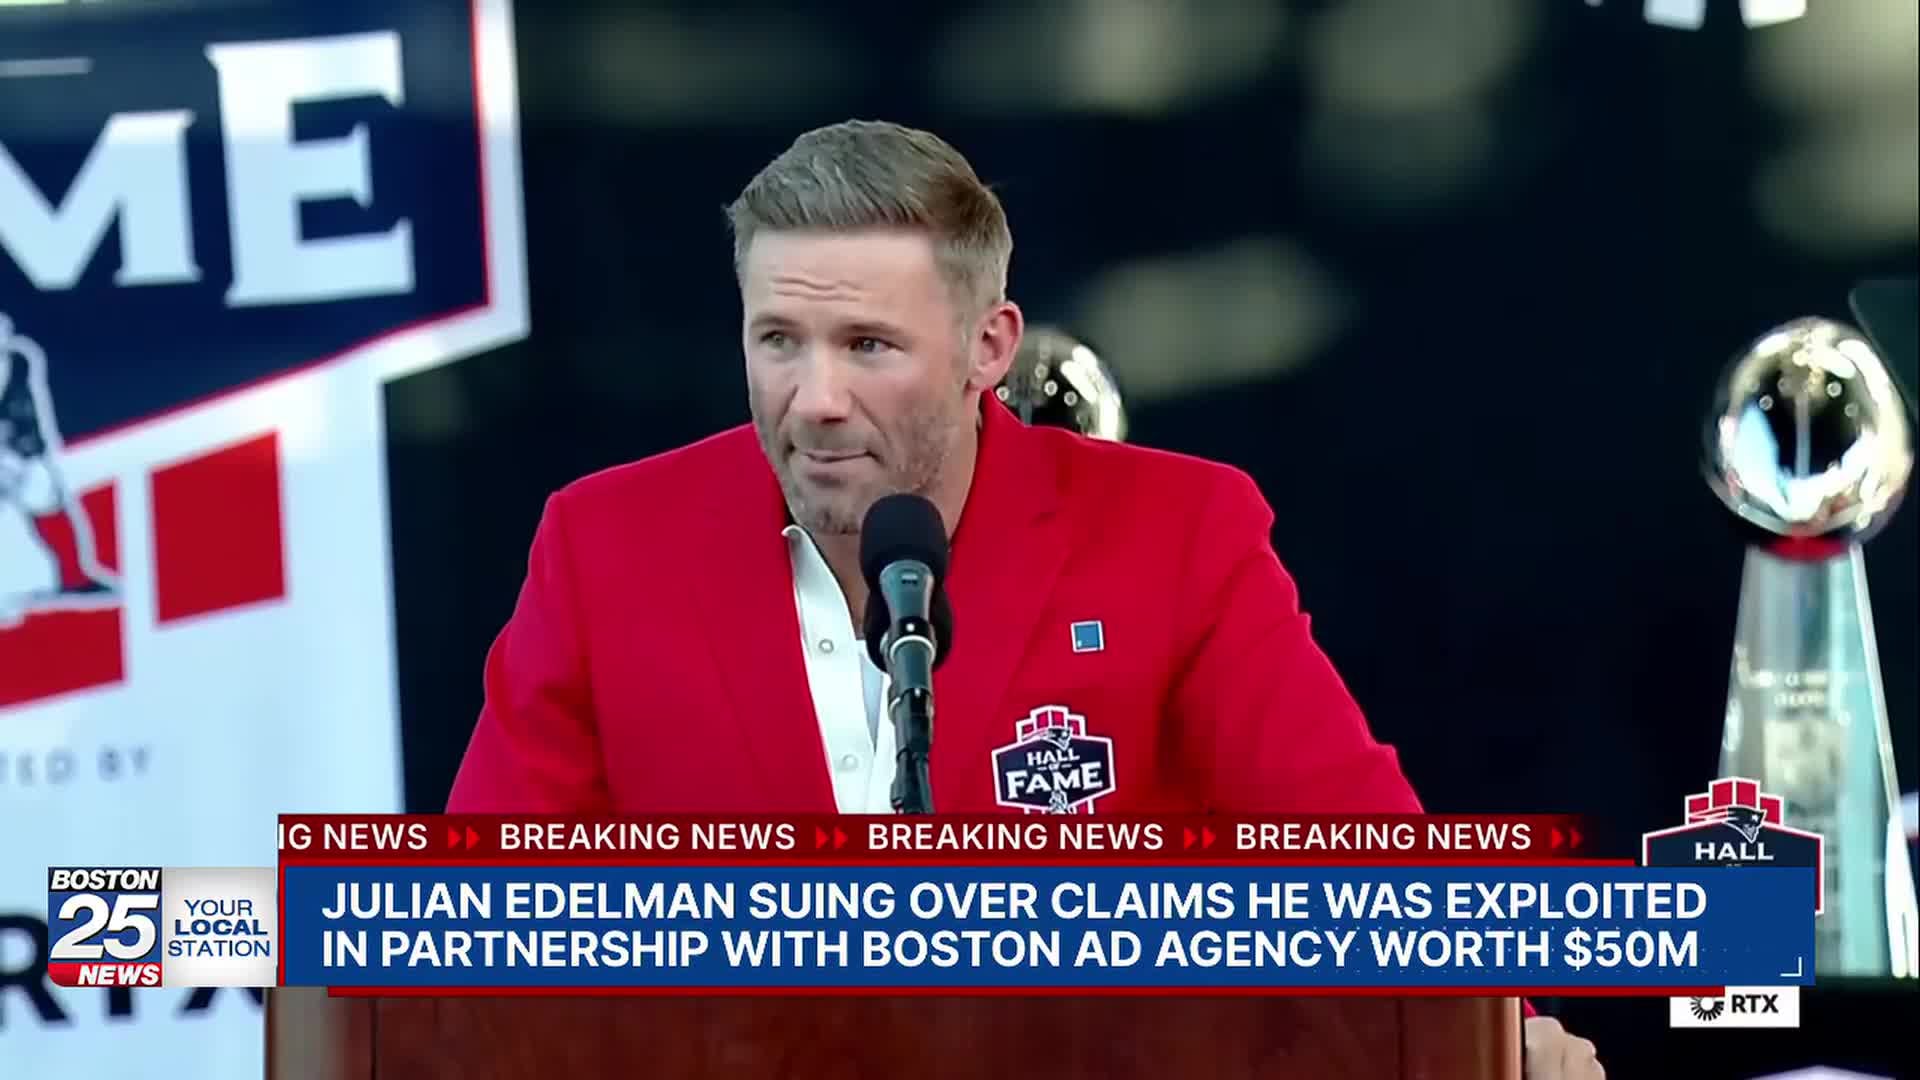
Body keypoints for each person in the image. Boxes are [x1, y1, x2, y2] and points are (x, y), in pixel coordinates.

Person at [445, 120, 1602, 1079]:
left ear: (988, 347)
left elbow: (1351, 859)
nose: (817, 398)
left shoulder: (1174, 537)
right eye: (780, 341)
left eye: (868, 346)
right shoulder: (606, 549)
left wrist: (1492, 1040)